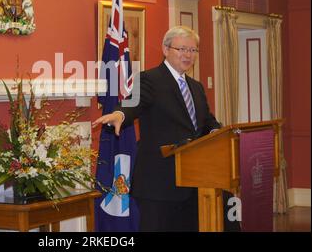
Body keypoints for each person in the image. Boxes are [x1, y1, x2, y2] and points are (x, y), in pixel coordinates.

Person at [93, 26, 226, 232]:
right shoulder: (149, 79)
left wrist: (218, 133)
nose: (188, 55)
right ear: (166, 49)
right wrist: (119, 115)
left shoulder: (196, 87)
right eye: (182, 49)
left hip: (193, 183)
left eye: (193, 51)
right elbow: (132, 103)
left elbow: (207, 122)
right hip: (158, 186)